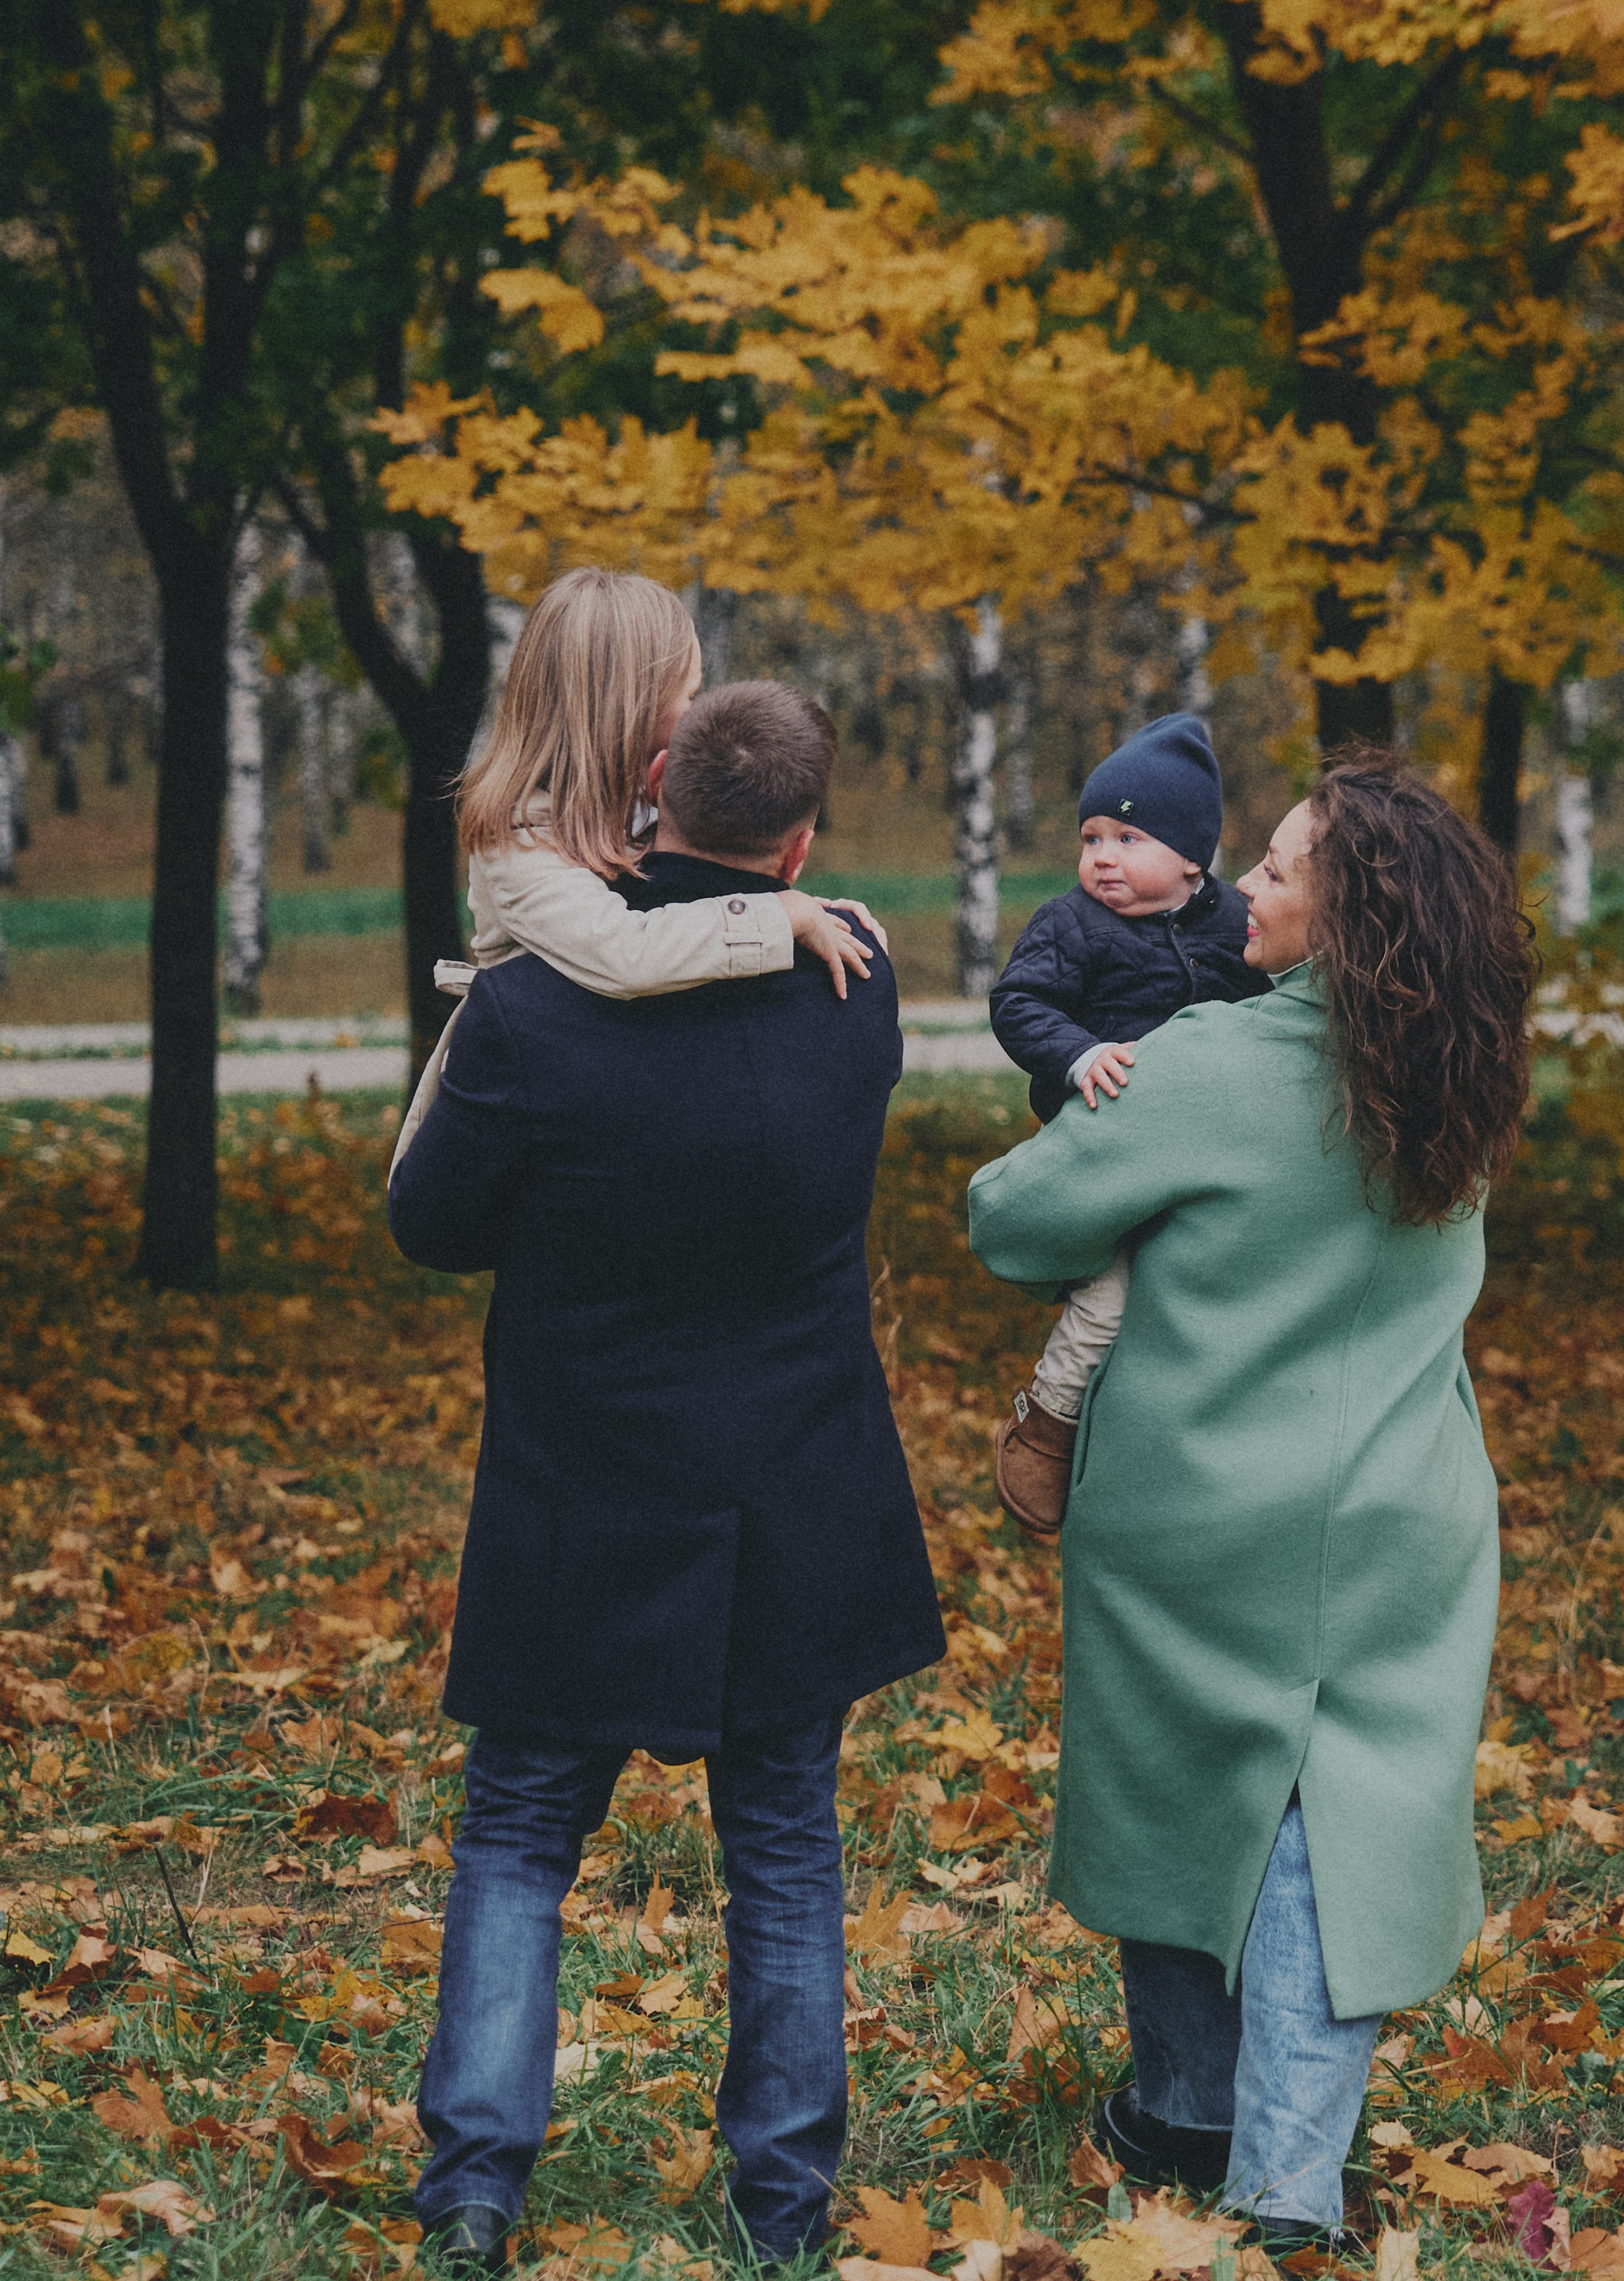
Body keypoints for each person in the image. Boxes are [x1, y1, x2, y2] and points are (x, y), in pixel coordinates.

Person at [390, 678, 945, 2274]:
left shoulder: (530, 1010)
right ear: (803, 840)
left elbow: (428, 1222)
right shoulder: (856, 985)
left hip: (585, 1483)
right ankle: (782, 2197)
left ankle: (476, 2188)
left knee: (517, 1837)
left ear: (651, 790)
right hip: (794, 1486)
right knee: (782, 1843)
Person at [968, 751, 1535, 2248]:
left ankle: (1194, 2108)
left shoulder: (1206, 1067)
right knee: (1333, 1818)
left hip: (1195, 1515)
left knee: (1187, 1783)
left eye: (1282, 868)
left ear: (1345, 919)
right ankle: (1282, 2176)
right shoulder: (1454, 1076)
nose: (1252, 885)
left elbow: (1009, 1221)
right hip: (1399, 1517)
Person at [391, 567, 882, 1175]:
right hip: (527, 1097)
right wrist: (779, 914)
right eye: (689, 695)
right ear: (628, 707)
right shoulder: (518, 840)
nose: (697, 711)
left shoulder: (637, 797)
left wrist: (815, 910)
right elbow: (625, 954)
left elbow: (708, 878)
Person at [985, 713, 1267, 1532]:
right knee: (1105, 1300)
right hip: (1105, 1144)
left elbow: (1272, 998)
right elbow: (1017, 1002)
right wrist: (1075, 1054)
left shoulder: (1233, 922)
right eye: (1091, 836)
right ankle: (1052, 1418)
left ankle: (1202, 1449)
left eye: (1127, 836)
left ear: (1189, 855)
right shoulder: (1071, 924)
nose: (1101, 856)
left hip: (1205, 1152)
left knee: (1202, 1295)